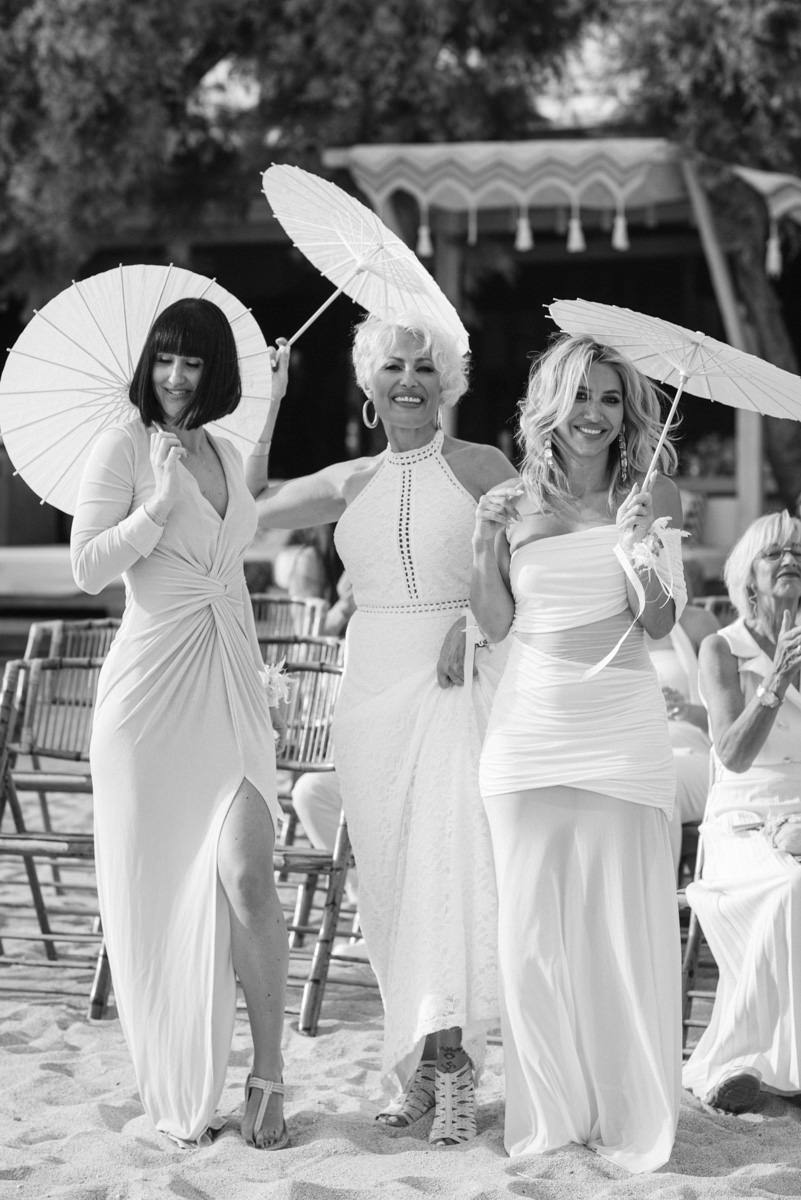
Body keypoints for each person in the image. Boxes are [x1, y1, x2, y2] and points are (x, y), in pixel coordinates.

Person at [253, 312, 516, 1145]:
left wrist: (469, 629)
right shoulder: (347, 480)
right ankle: (419, 1066)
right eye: (393, 366)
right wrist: (269, 398)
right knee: (393, 887)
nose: (409, 380)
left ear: (448, 382)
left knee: (447, 872)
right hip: (368, 695)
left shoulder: (484, 467)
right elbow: (245, 507)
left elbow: (528, 573)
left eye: (424, 367)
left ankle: (455, 1071)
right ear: (368, 382)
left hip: (455, 683)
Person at [70, 297, 292, 1150]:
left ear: (214, 372)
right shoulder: (122, 446)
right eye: (164, 359)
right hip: (149, 699)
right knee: (158, 892)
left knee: (247, 875)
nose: (173, 376)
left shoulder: (223, 450)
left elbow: (240, 518)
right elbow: (88, 567)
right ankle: (178, 1086)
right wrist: (155, 507)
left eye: (191, 362)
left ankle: (268, 1077)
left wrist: (274, 404)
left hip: (229, 679)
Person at [471, 333, 686, 1173]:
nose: (593, 415)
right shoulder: (511, 499)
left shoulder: (652, 492)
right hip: (525, 734)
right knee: (530, 939)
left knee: (620, 932)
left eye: (608, 398)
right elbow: (494, 624)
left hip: (621, 733)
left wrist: (640, 546)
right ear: (549, 408)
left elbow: (659, 621)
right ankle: (550, 1116)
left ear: (625, 412)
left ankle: (625, 1112)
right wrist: (482, 541)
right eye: (580, 397)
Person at [682, 511, 801, 1114]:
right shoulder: (721, 648)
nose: (790, 560)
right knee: (788, 889)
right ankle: (740, 1061)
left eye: (798, 552)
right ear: (747, 576)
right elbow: (731, 754)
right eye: (774, 553)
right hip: (744, 819)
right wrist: (777, 678)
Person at [645, 591, 718, 874]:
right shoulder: (609, 628)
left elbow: (731, 717)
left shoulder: (697, 624)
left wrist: (685, 710)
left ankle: (661, 894)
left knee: (660, 779)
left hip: (694, 748)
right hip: (638, 748)